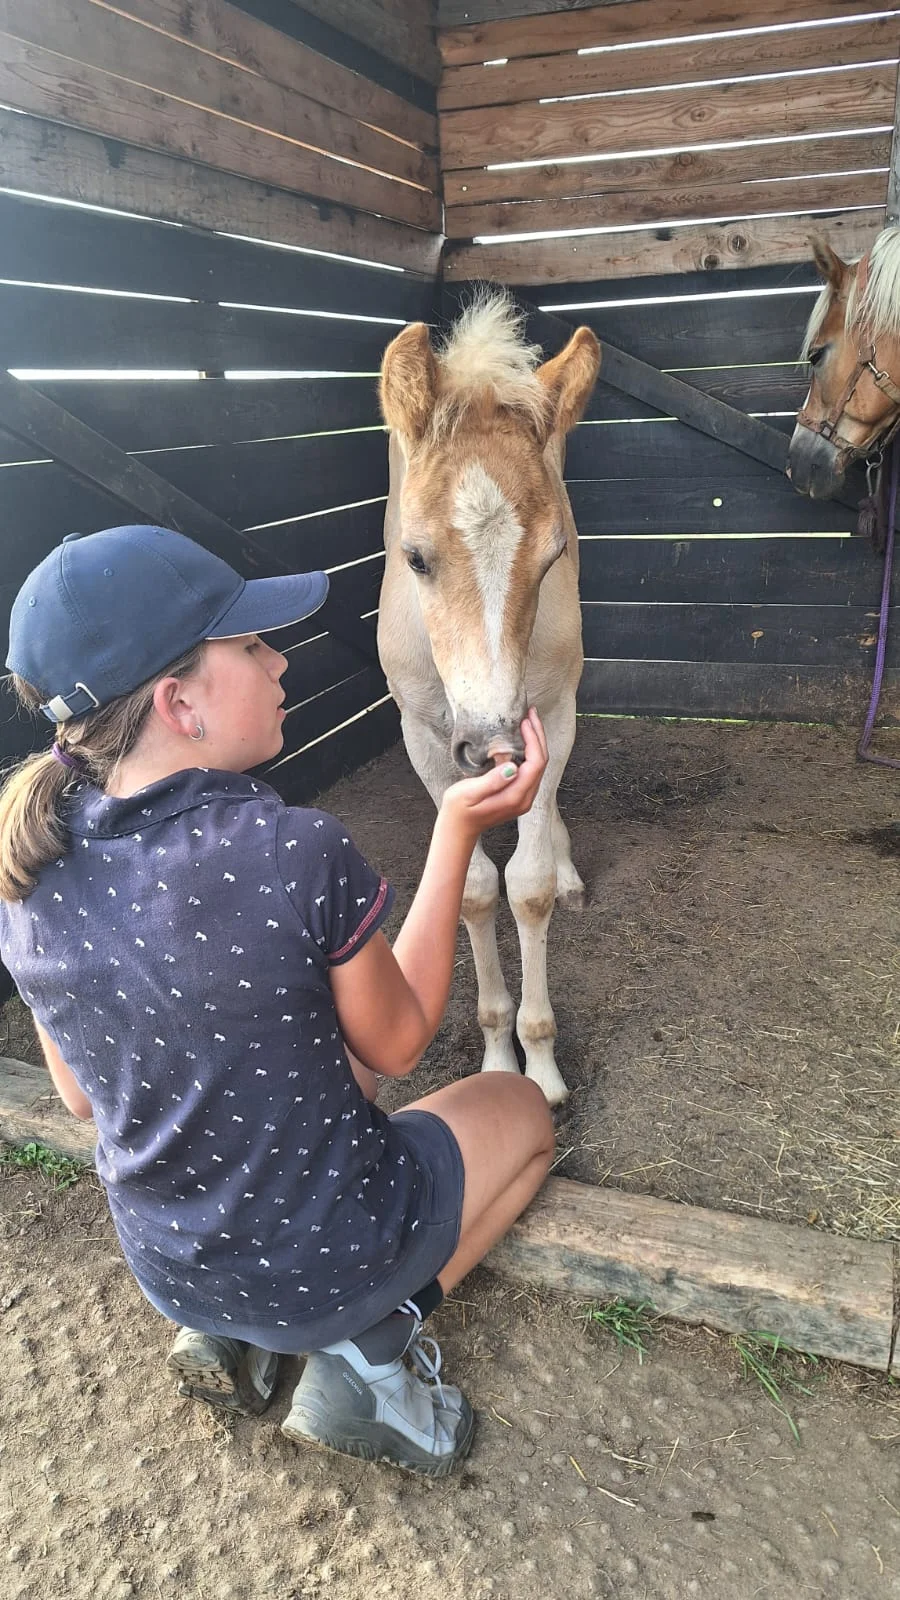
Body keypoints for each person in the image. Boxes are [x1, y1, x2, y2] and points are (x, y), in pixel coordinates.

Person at [0, 524, 556, 1478]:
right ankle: (367, 1351)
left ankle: (228, 1332)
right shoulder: (294, 848)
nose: (280, 659)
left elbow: (86, 1099)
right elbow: (400, 1042)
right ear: (181, 703)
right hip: (325, 1257)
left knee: (290, 1058)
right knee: (523, 1114)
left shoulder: (26, 871)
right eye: (250, 646)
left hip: (170, 1266)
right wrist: (454, 831)